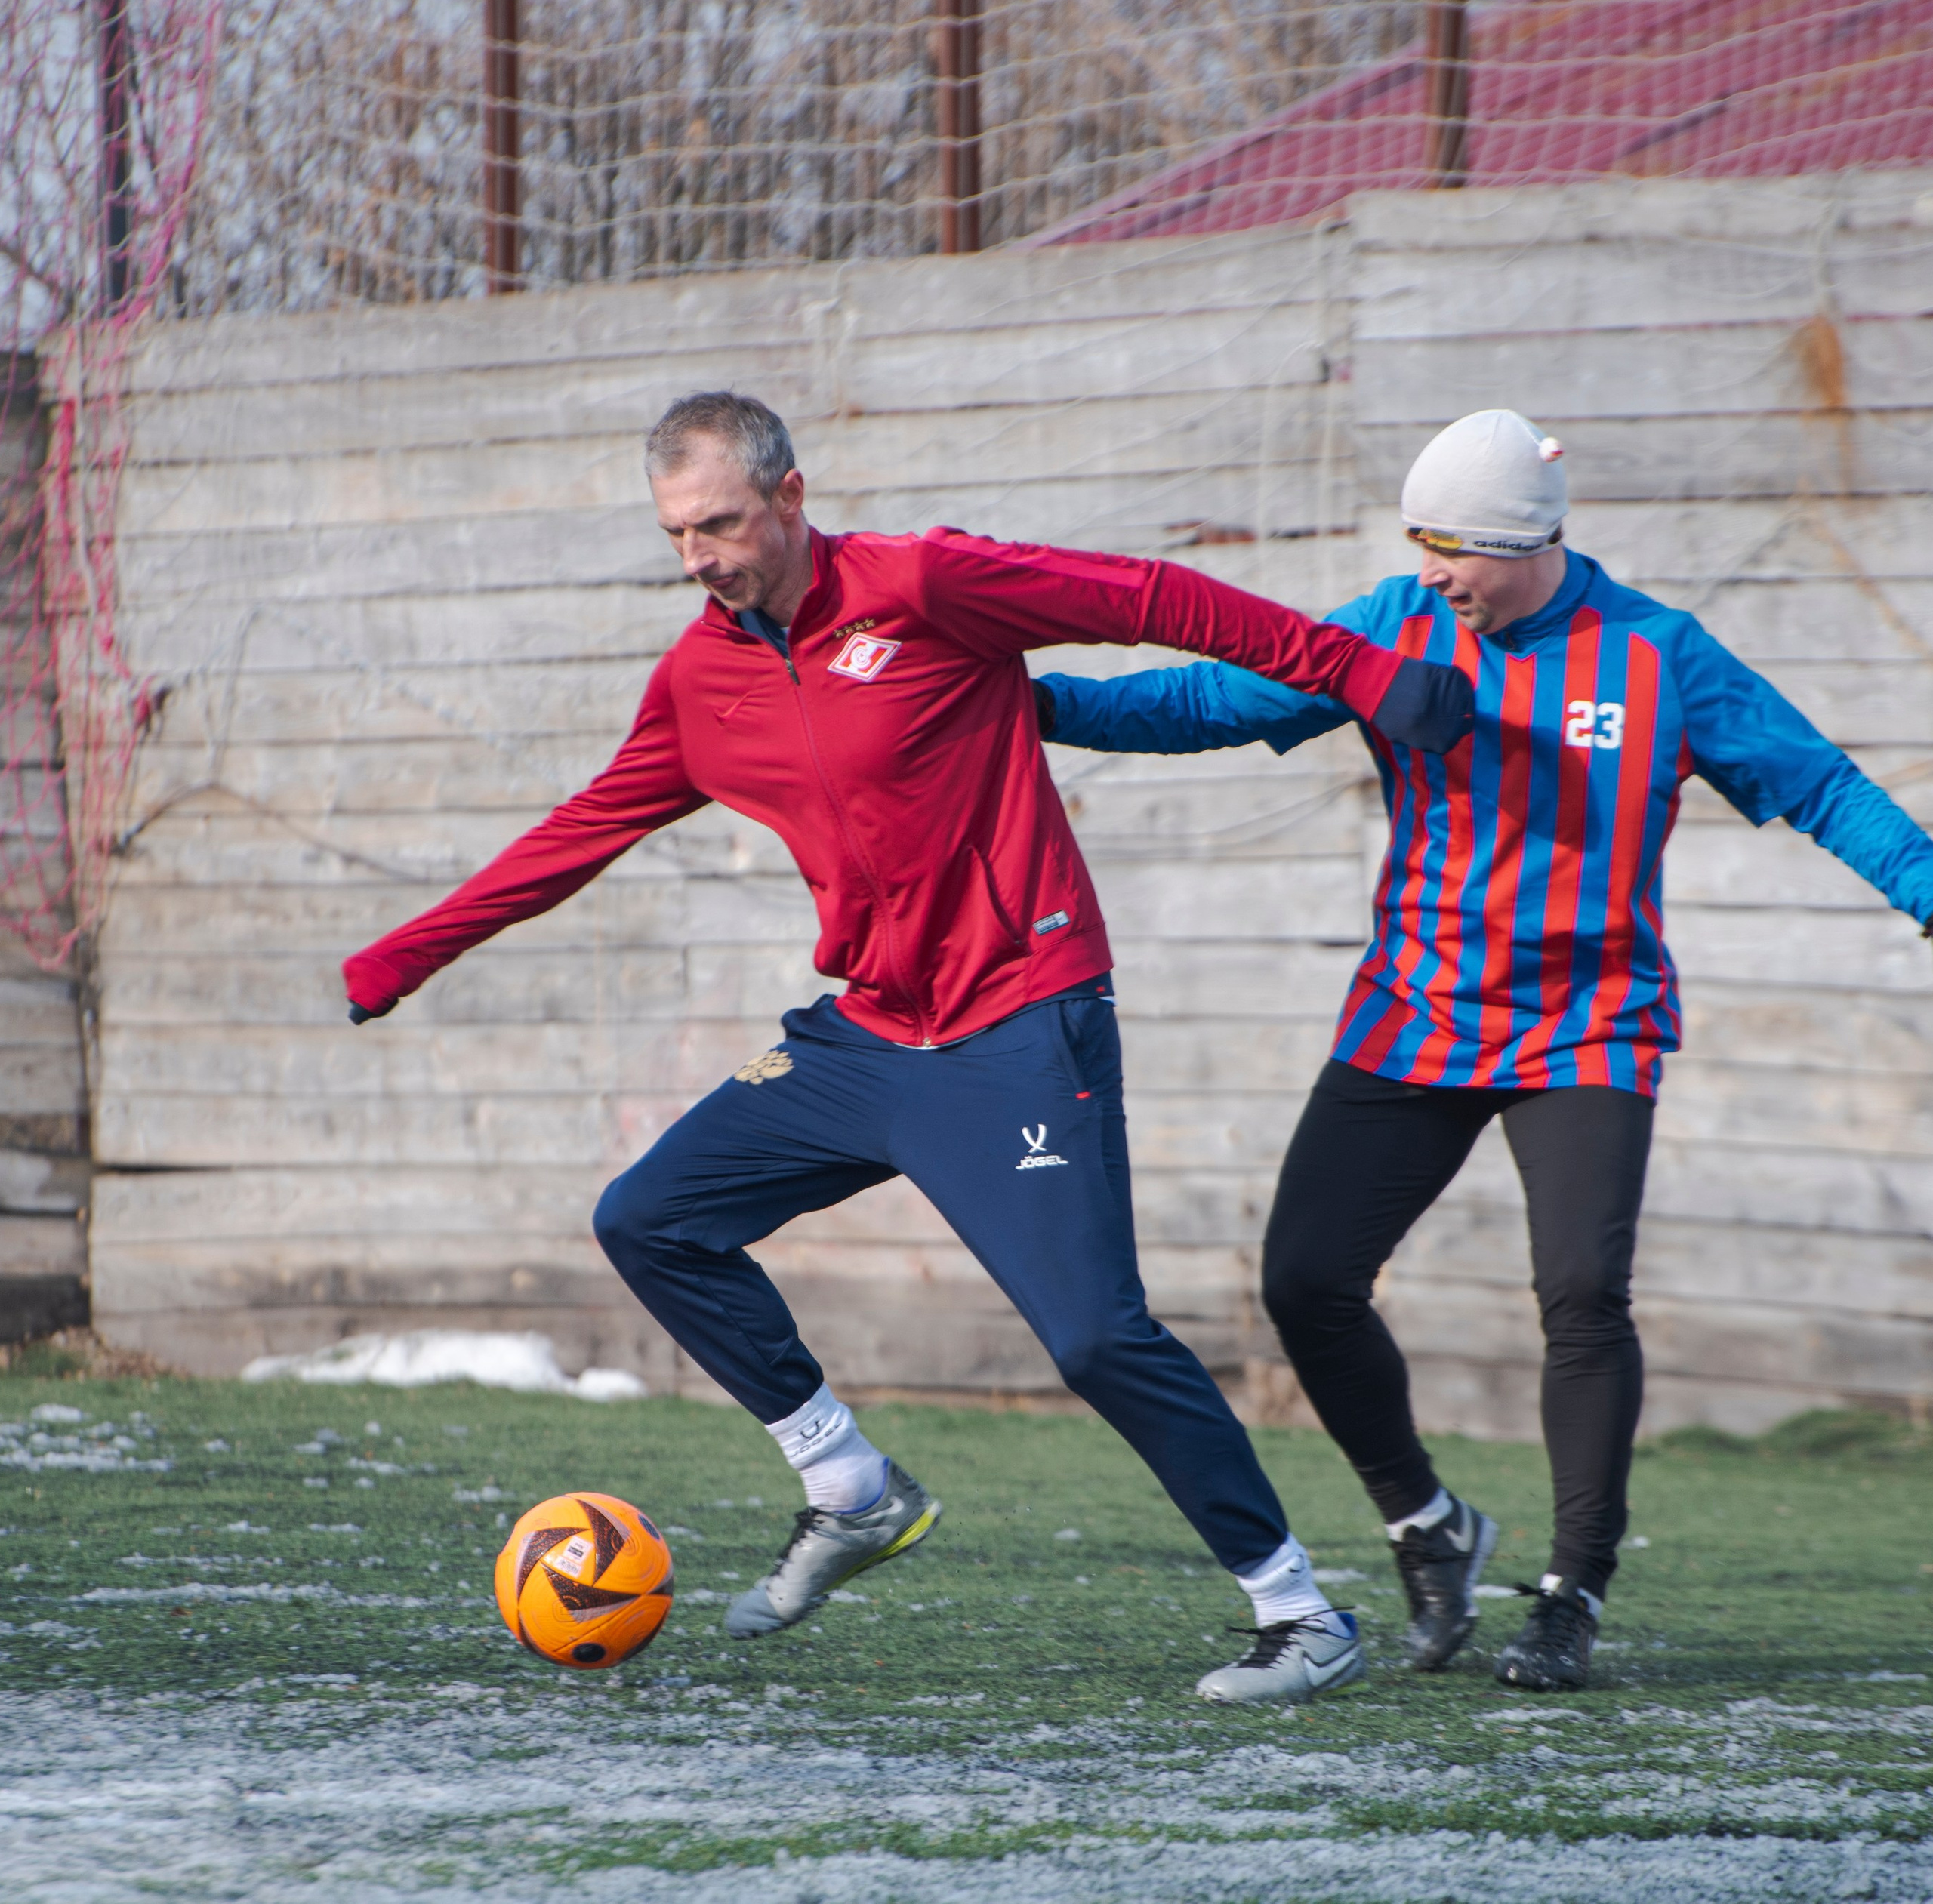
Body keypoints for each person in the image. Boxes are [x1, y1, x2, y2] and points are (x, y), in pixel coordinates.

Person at [341, 390, 1475, 1706]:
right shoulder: (700, 685)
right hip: (867, 1036)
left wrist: (1361, 673)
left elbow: (1151, 598)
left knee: (1097, 1341)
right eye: (677, 535)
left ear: (790, 497)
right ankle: (849, 1485)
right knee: (650, 1218)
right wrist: (403, 956)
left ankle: (1300, 1613)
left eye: (721, 523)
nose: (701, 556)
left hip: (1018, 1019)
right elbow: (581, 831)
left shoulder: (926, 585)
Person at [1036, 408, 1933, 1692]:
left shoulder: (1661, 655)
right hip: (1416, 1011)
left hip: (1587, 1025)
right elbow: (1208, 701)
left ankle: (1572, 1593)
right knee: (1305, 1280)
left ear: (1528, 544)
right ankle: (1427, 1525)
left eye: (1455, 548)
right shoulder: (1393, 626)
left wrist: (1924, 887)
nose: (1434, 571)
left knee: (1582, 1292)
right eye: (1423, 543)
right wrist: (1025, 705)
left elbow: (1821, 785)